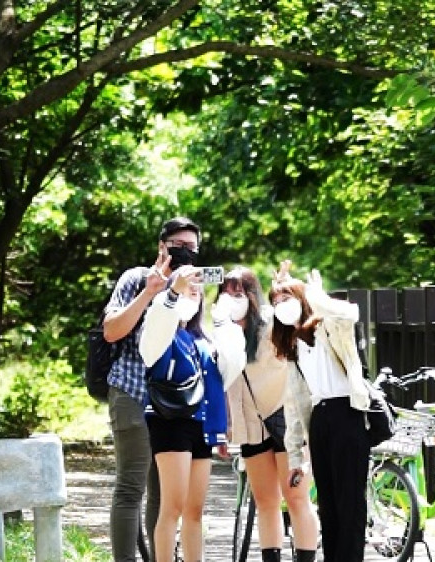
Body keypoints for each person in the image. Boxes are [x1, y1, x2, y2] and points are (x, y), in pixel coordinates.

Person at [102, 216, 201, 561]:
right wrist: (150, 291)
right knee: (131, 486)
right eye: (178, 245)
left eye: (192, 247)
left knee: (164, 496)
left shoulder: (193, 287)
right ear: (162, 246)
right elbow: (111, 331)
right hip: (132, 390)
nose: (185, 252)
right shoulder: (136, 278)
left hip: (173, 401)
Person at [139, 258, 244, 562]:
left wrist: (223, 320)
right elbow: (154, 334)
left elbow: (230, 369)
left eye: (197, 291)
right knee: (171, 508)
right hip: (170, 422)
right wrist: (173, 292)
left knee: (195, 511)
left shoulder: (202, 340)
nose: (193, 294)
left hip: (201, 426)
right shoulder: (161, 331)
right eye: (188, 289)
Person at [269, 260, 371, 562]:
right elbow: (294, 405)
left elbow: (349, 313)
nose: (281, 305)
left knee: (349, 501)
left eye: (286, 298)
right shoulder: (293, 345)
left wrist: (316, 296)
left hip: (348, 412)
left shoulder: (327, 327)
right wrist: (294, 456)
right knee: (327, 504)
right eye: (276, 302)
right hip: (320, 419)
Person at [219, 266, 318, 562]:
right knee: (265, 501)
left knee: (296, 498)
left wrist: (288, 289)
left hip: (286, 420)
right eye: (226, 294)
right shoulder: (222, 332)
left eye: (238, 293)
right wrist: (223, 427)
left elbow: (298, 320)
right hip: (251, 426)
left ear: (252, 296)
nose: (232, 300)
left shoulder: (272, 323)